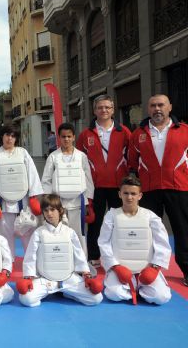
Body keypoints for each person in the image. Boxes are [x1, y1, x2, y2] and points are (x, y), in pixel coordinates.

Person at [128, 94, 188, 287]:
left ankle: (186, 269)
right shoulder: (139, 134)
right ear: (148, 109)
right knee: (149, 231)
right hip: (149, 189)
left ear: (170, 107)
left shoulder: (185, 131)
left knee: (183, 230)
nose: (157, 109)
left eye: (161, 105)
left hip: (178, 187)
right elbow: (132, 163)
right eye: (153, 106)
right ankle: (146, 268)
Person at [17, 194, 103, 307]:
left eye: (52, 210)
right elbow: (30, 256)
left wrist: (86, 275)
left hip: (69, 279)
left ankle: (67, 293)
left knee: (96, 298)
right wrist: (28, 277)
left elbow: (79, 255)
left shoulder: (70, 232)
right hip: (46, 280)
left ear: (60, 210)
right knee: (27, 299)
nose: (49, 213)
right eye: (46, 210)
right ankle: (53, 291)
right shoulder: (39, 233)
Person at [98, 175, 172, 305]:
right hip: (121, 268)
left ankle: (138, 286)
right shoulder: (111, 216)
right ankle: (134, 287)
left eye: (133, 193)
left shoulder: (150, 216)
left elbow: (163, 244)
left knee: (162, 297)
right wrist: (115, 267)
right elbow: (103, 243)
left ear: (140, 196)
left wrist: (154, 268)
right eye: (125, 193)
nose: (129, 197)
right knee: (113, 294)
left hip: (146, 268)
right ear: (119, 194)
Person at [77, 95, 131, 267]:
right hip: (95, 186)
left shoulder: (124, 132)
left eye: (107, 107)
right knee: (95, 222)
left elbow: (132, 157)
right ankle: (94, 255)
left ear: (113, 110)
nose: (104, 110)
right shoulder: (86, 134)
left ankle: (118, 254)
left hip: (118, 186)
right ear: (94, 111)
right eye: (100, 107)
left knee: (118, 221)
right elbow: (79, 159)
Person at [0, 125, 43, 260]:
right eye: (7, 135)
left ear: (16, 138)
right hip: (3, 203)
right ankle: (7, 265)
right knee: (4, 236)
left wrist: (34, 197)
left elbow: (32, 174)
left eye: (12, 136)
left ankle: (31, 263)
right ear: (2, 137)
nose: (9, 138)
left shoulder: (23, 153)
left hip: (22, 203)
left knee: (27, 234)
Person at [41, 123, 94, 254]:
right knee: (60, 233)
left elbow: (88, 178)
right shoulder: (53, 157)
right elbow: (46, 180)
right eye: (63, 136)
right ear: (59, 137)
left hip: (78, 202)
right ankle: (62, 260)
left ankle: (82, 265)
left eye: (69, 136)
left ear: (74, 137)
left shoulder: (81, 156)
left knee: (78, 233)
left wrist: (89, 201)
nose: (66, 139)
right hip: (59, 204)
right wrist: (48, 200)